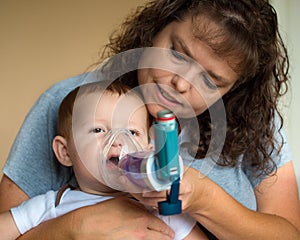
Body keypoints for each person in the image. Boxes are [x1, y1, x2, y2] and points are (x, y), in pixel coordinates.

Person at [1, 0, 299, 239]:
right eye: (178, 55)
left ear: (233, 90)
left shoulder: (254, 122)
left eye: (211, 81)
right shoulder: (71, 104)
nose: (181, 84)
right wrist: (72, 228)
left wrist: (204, 199)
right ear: (156, 29)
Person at [0, 80, 206, 240]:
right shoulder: (50, 205)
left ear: (149, 149)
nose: (118, 141)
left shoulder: (160, 207)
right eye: (99, 130)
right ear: (65, 152)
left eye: (132, 132)